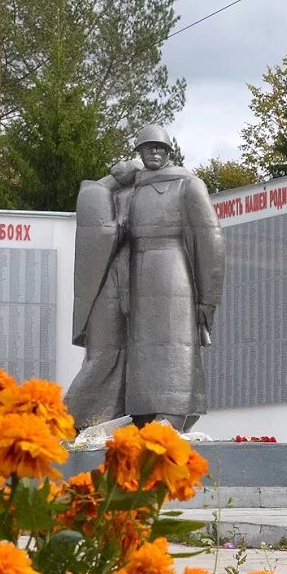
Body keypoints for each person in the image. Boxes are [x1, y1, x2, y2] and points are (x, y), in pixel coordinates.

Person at [66, 125, 224, 431]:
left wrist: (208, 299)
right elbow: (96, 204)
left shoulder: (187, 185)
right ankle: (134, 417)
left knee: (171, 345)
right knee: (137, 350)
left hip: (171, 271)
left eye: (159, 148)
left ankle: (171, 416)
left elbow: (210, 240)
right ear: (138, 153)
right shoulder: (130, 188)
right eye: (147, 148)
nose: (154, 153)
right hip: (135, 272)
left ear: (168, 152)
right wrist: (115, 177)